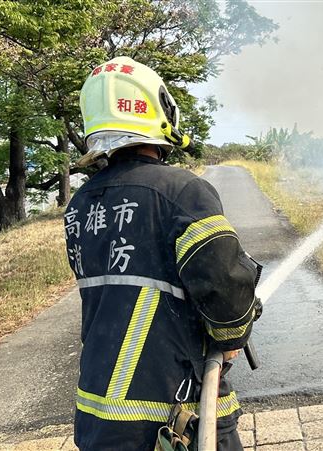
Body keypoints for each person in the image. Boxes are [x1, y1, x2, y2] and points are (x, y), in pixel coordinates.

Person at [65, 56, 260, 450]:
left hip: (98, 417)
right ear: (158, 110)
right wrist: (232, 336)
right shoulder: (182, 192)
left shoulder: (81, 204)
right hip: (174, 415)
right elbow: (225, 286)